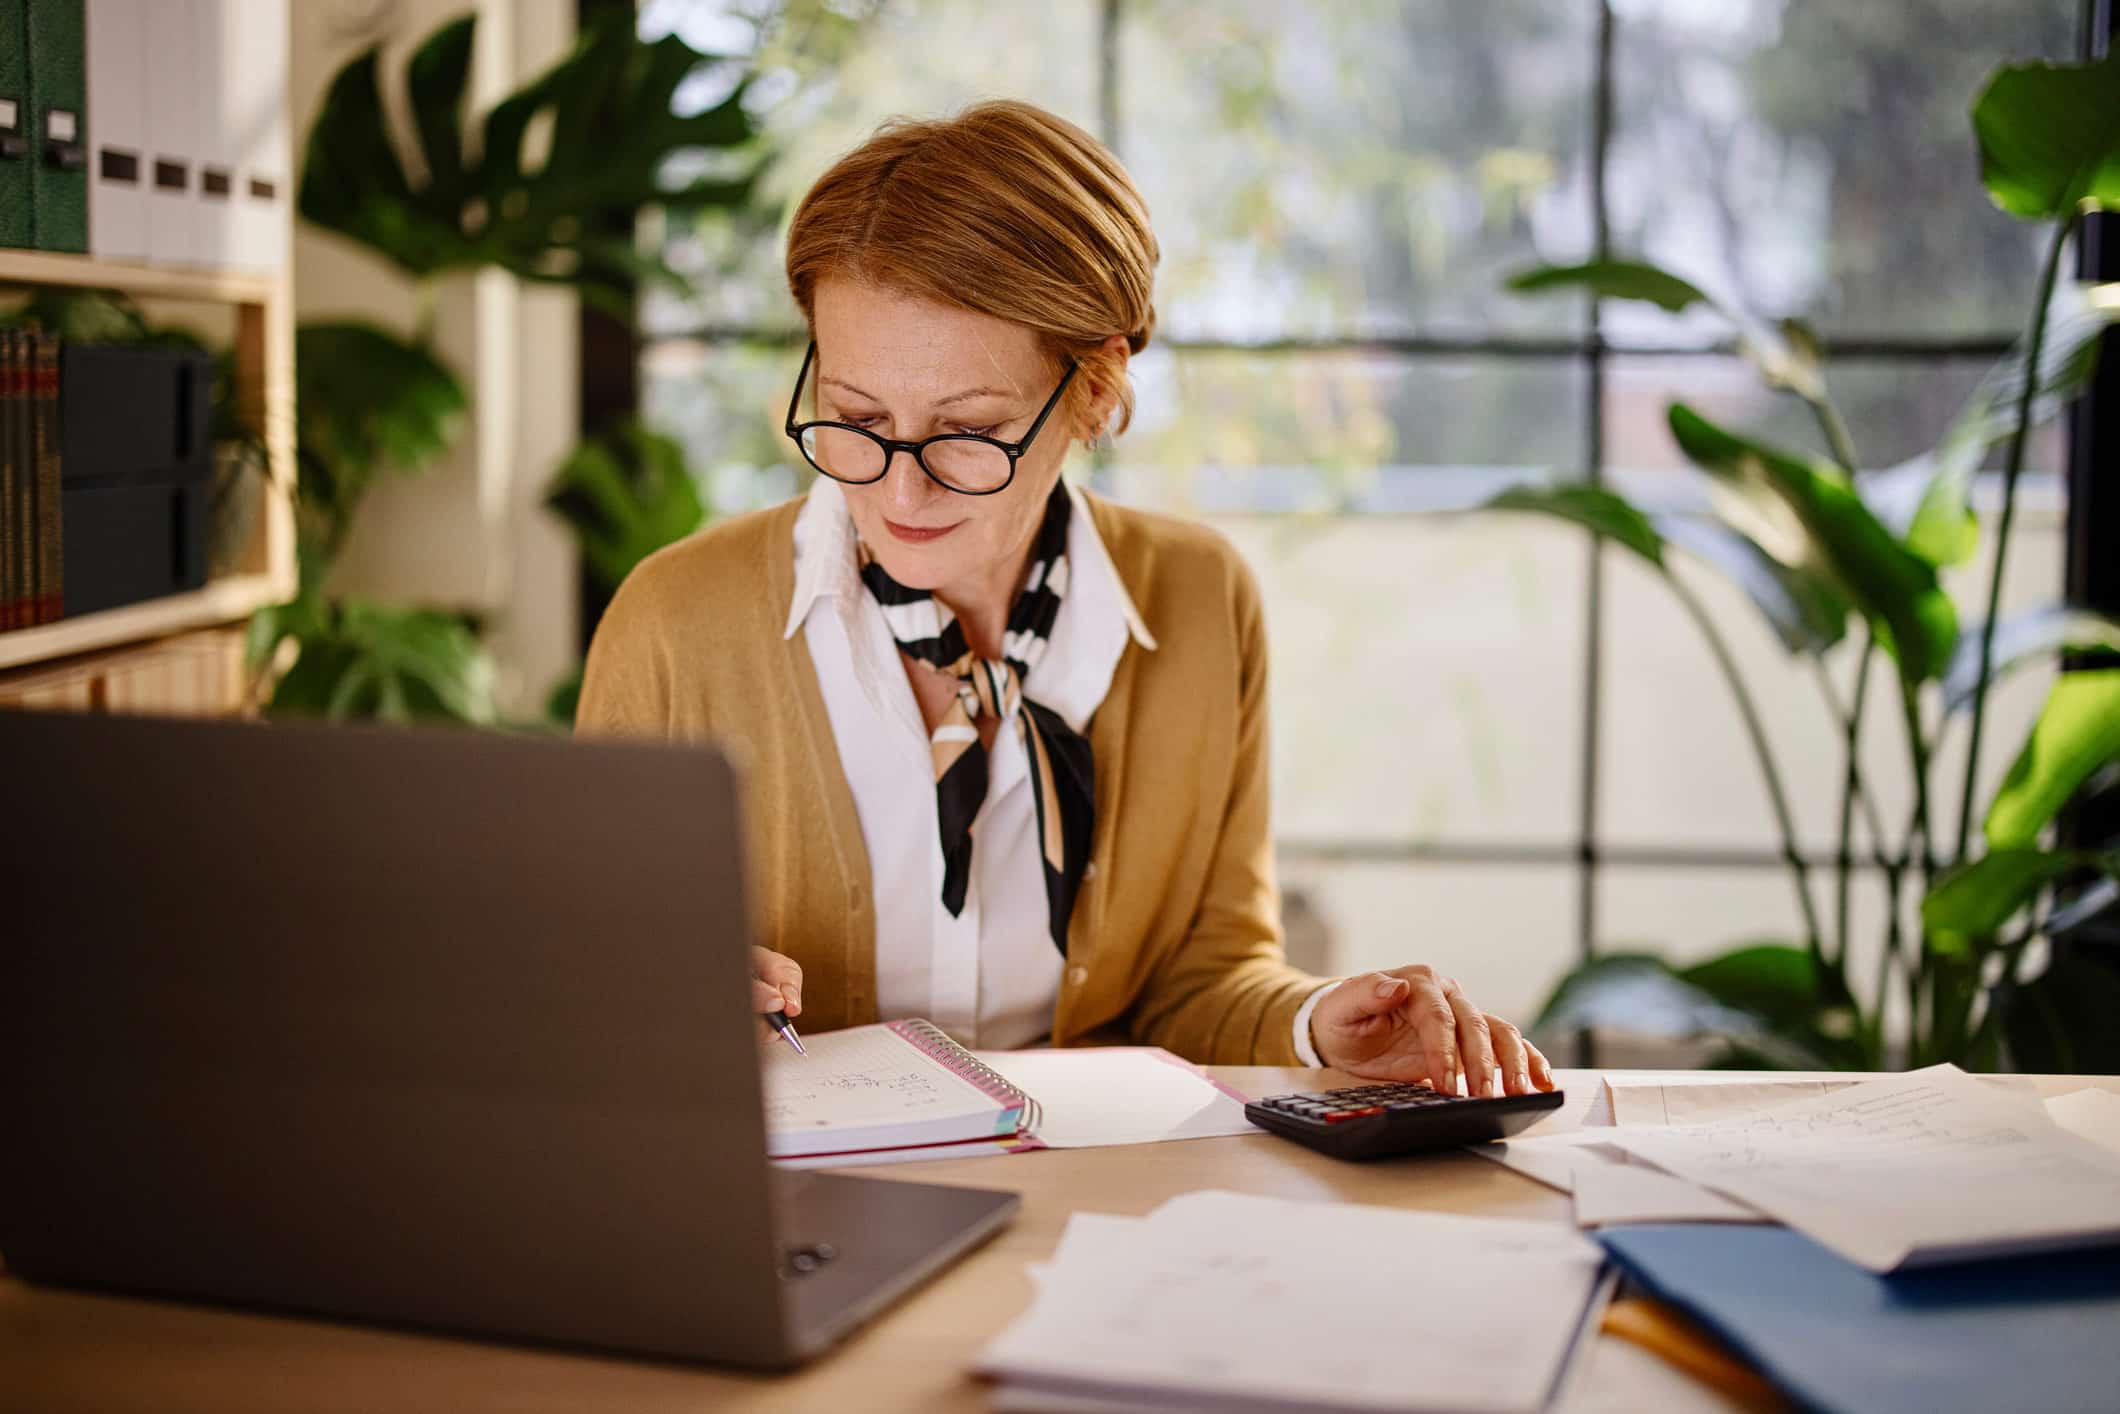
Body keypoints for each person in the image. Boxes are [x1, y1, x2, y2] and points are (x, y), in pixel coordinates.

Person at [577, 100, 1554, 1097]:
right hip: (799, 1228)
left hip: (1099, 1217)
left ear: (1093, 389)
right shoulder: (674, 624)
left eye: (967, 430)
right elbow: (581, 991)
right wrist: (650, 1003)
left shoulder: (1198, 601)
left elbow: (1201, 979)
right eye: (854, 415)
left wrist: (1312, 1026)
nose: (898, 489)